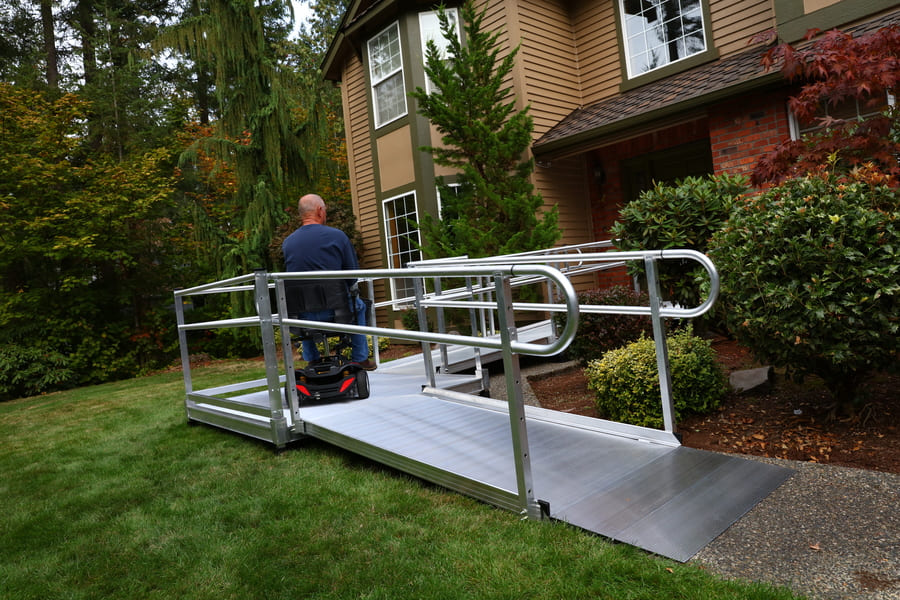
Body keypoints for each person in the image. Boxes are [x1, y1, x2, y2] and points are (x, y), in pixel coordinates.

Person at [282, 193, 375, 370]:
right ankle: (360, 358)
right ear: (319, 210)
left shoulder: (288, 243)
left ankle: (312, 358)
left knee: (301, 301)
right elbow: (352, 275)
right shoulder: (338, 236)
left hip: (304, 317)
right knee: (360, 306)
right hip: (338, 312)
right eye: (324, 210)